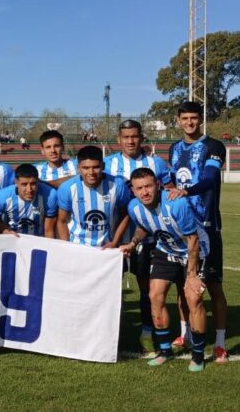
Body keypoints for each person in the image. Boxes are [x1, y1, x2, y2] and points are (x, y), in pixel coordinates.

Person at [120, 168, 210, 371]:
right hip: (166, 250)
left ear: (158, 185)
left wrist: (192, 275)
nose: (145, 192)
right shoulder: (134, 207)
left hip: (195, 251)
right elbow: (144, 226)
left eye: (148, 186)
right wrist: (133, 243)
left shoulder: (176, 203)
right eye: (139, 188)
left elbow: (193, 240)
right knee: (155, 296)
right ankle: (165, 350)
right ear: (133, 191)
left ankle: (198, 355)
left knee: (193, 297)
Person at [103, 119, 172, 355]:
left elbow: (169, 192)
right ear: (118, 140)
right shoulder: (107, 164)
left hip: (149, 239)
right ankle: (110, 336)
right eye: (126, 137)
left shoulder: (156, 163)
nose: (130, 141)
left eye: (134, 136)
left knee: (147, 290)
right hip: (115, 239)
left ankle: (146, 334)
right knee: (109, 290)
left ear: (142, 137)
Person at [167, 101, 229, 363]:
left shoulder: (214, 146)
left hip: (207, 226)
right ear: (178, 120)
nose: (189, 122)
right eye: (185, 118)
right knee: (183, 284)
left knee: (213, 286)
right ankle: (185, 334)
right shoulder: (174, 148)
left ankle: (220, 343)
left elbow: (208, 179)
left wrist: (186, 191)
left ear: (200, 119)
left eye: (194, 118)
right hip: (181, 227)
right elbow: (171, 181)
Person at [56, 145, 131, 248]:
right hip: (77, 246)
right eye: (86, 168)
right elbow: (62, 221)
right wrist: (67, 247)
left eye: (96, 167)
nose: (91, 172)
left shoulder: (118, 185)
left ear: (103, 166)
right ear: (78, 168)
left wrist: (115, 241)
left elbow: (125, 215)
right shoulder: (67, 188)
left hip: (107, 247)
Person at [0, 164, 57, 237]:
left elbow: (49, 230)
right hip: (13, 238)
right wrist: (5, 231)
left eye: (33, 184)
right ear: (16, 183)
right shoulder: (2, 197)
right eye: (24, 184)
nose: (29, 190)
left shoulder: (50, 195)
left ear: (38, 181)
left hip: (38, 238)